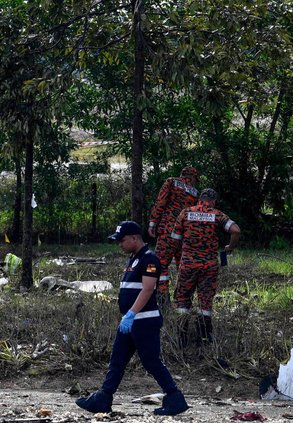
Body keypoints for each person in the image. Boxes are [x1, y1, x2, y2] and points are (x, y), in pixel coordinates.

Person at [75, 221, 189, 416]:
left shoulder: (149, 259)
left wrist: (132, 313)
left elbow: (147, 289)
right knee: (117, 360)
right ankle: (103, 398)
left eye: (122, 240)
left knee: (151, 361)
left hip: (144, 320)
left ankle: (174, 397)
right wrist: (127, 316)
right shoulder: (134, 258)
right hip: (129, 321)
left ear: (135, 238)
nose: (120, 244)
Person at [171, 188, 241, 345]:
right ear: (214, 201)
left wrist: (184, 252)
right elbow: (236, 230)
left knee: (182, 298)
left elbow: (175, 239)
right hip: (209, 266)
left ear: (199, 199)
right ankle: (204, 338)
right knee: (205, 300)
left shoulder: (185, 212)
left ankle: (181, 339)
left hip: (188, 264)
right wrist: (230, 247)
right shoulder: (217, 214)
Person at [148, 166, 199, 303]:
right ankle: (183, 299)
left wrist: (153, 222)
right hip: (184, 234)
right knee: (182, 266)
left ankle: (163, 298)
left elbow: (161, 202)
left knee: (161, 264)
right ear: (193, 177)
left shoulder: (171, 182)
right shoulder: (195, 193)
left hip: (167, 230)